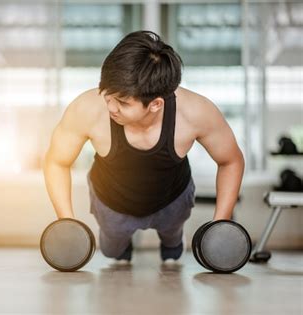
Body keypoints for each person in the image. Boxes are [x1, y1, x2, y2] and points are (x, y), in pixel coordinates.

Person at [43, 31, 245, 264]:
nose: (110, 106)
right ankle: (122, 247)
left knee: (172, 245)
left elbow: (231, 160)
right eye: (107, 93)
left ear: (156, 104)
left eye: (122, 102)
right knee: (111, 251)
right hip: (111, 201)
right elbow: (57, 161)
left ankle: (172, 242)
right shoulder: (87, 108)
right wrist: (66, 222)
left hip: (173, 199)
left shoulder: (196, 112)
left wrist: (219, 225)